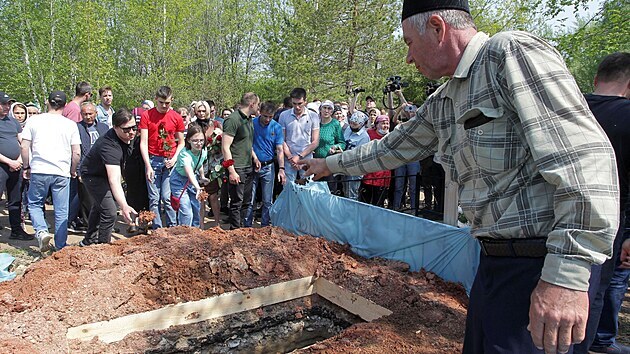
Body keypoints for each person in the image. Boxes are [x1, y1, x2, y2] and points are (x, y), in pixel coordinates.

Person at [301, 1, 619, 353]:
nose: (408, 57)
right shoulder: (446, 98)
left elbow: (584, 161)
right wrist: (329, 165)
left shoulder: (509, 54)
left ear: (437, 27)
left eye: (408, 42)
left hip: (542, 267)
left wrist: (567, 278)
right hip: (494, 264)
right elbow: (392, 148)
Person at [577, 52, 630, 354]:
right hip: (608, 222)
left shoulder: (569, 107)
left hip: (555, 216)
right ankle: (595, 342)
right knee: (597, 291)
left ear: (596, 79)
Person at [21, 90, 81, 252]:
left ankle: (41, 231)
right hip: (61, 171)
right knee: (62, 210)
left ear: (47, 102)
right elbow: (76, 152)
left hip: (40, 169)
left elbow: (25, 146)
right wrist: (73, 169)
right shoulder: (70, 124)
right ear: (64, 105)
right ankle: (61, 245)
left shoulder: (34, 120)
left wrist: (26, 166)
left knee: (34, 204)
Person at [80, 108, 137, 246]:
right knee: (110, 211)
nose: (131, 132)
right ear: (115, 128)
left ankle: (89, 240)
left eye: (134, 128)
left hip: (104, 173)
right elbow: (114, 179)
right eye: (126, 129)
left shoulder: (128, 136)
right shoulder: (109, 146)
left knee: (100, 206)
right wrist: (124, 206)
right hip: (93, 175)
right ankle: (103, 247)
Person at [139, 86, 185, 229]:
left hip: (169, 160)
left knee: (167, 197)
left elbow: (182, 142)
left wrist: (175, 158)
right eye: (161, 103)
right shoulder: (147, 115)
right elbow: (143, 142)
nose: (164, 106)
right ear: (156, 100)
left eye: (167, 103)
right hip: (153, 159)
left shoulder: (176, 117)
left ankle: (172, 228)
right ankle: (157, 229)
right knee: (154, 198)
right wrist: (148, 165)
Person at [244, 101, 286, 227]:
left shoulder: (276, 127)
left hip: (268, 166)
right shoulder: (252, 124)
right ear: (260, 113)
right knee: (250, 200)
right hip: (253, 165)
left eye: (270, 116)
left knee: (267, 200)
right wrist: (255, 158)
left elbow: (279, 149)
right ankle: (247, 225)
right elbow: (248, 144)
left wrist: (282, 168)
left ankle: (265, 226)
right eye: (265, 116)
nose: (267, 119)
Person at [222, 92, 260, 230]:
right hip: (237, 167)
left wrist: (254, 157)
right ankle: (235, 232)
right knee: (236, 203)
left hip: (248, 165)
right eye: (257, 104)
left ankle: (243, 230)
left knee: (246, 201)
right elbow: (225, 147)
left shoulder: (249, 119)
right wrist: (231, 170)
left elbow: (247, 142)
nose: (258, 107)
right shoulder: (233, 120)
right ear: (252, 104)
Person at [71, 102, 109, 233]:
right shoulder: (77, 128)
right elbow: (77, 150)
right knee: (87, 200)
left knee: (104, 198)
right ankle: (89, 227)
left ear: (96, 113)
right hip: (85, 167)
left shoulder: (104, 128)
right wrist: (78, 171)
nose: (87, 117)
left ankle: (104, 225)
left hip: (102, 167)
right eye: (85, 114)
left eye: (90, 114)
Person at [0, 93, 32, 240]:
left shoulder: (13, 122)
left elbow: (22, 141)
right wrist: (9, 161)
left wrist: (19, 160)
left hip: (16, 166)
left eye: (8, 104)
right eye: (3, 104)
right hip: (2, 166)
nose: (7, 107)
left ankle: (16, 230)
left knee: (15, 199)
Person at [169, 124, 208, 227]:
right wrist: (198, 187)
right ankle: (184, 234)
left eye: (201, 140)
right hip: (179, 180)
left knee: (196, 208)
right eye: (195, 140)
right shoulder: (184, 154)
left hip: (192, 180)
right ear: (189, 140)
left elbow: (199, 164)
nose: (199, 143)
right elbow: (189, 171)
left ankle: (195, 233)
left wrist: (202, 176)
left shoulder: (203, 151)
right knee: (186, 211)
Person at [279, 88, 320, 183]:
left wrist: (300, 156)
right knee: (289, 189)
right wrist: (290, 157)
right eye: (294, 104)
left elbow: (315, 141)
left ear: (305, 101)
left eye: (300, 104)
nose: (297, 107)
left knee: (308, 189)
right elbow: (281, 139)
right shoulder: (284, 115)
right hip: (289, 159)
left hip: (306, 158)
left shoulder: (313, 116)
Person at [358, 115, 390, 207]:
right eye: (383, 123)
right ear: (376, 124)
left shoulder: (391, 136)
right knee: (365, 202)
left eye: (387, 123)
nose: (386, 126)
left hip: (383, 175)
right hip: (368, 174)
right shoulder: (368, 133)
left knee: (379, 203)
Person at [342, 111, 370, 200]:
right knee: (344, 191)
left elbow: (359, 155)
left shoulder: (364, 137)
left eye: (355, 123)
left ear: (361, 124)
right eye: (351, 123)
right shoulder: (348, 129)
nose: (352, 125)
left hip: (354, 168)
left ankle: (351, 212)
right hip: (343, 165)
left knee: (352, 193)